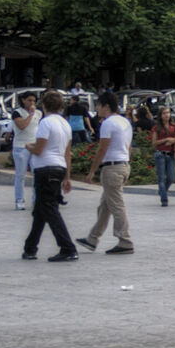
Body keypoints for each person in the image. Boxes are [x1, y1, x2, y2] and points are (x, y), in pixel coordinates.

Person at [21, 89, 76, 262]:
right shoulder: (65, 124)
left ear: (44, 106)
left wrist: (29, 146)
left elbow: (39, 149)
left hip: (45, 168)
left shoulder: (45, 123)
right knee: (40, 210)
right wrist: (67, 177)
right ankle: (30, 247)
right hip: (59, 167)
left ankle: (67, 247)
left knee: (49, 208)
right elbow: (67, 153)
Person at [78, 90, 135, 255]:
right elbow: (129, 146)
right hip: (123, 164)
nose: (96, 108)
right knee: (105, 206)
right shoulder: (125, 122)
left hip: (112, 167)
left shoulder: (108, 123)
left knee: (116, 205)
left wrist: (92, 171)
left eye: (98, 105)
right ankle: (92, 238)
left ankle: (125, 241)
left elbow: (102, 149)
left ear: (106, 106)